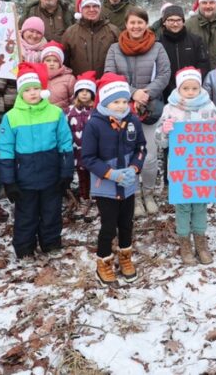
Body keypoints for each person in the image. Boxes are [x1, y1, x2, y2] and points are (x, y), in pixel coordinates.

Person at [0, 63, 74, 259]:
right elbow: (5, 151)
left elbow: (65, 143)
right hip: (25, 179)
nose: (32, 93)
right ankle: (24, 248)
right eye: (27, 90)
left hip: (51, 175)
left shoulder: (55, 113)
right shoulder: (11, 117)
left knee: (51, 212)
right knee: (26, 215)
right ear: (20, 93)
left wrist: (66, 173)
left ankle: (51, 243)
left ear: (42, 90)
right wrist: (9, 181)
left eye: (36, 89)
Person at [103, 7, 171, 217]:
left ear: (146, 24)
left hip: (148, 109)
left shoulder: (157, 47)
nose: (136, 26)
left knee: (149, 156)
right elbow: (109, 74)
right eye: (132, 23)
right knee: (125, 155)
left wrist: (146, 94)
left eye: (140, 23)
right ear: (126, 24)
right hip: (121, 109)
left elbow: (164, 73)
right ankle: (132, 195)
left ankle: (148, 192)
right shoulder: (115, 48)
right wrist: (132, 93)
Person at [81, 73, 147, 286]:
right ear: (105, 101)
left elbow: (141, 148)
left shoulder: (133, 120)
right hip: (106, 187)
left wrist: (134, 168)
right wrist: (111, 174)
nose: (120, 106)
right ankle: (104, 262)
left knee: (126, 223)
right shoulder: (94, 124)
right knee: (108, 226)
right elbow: (88, 158)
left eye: (124, 101)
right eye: (115, 102)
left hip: (127, 186)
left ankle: (125, 258)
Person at [156, 67, 216, 266]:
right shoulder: (170, 108)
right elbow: (159, 140)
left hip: (202, 167)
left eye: (194, 88)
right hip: (180, 168)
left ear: (199, 88)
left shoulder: (208, 106)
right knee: (183, 206)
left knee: (200, 205)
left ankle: (201, 242)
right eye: (185, 88)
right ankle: (184, 242)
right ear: (179, 88)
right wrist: (165, 130)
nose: (190, 92)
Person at [156, 4, 210, 100]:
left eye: (178, 20)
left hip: (192, 91)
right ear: (164, 22)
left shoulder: (196, 40)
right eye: (171, 20)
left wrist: (192, 84)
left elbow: (204, 64)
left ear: (183, 22)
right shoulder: (158, 43)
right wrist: (171, 89)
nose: (175, 24)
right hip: (167, 93)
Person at [61, 0, 120, 76]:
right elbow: (64, 63)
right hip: (81, 86)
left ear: (100, 8)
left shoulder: (113, 31)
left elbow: (120, 60)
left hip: (106, 84)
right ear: (81, 10)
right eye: (87, 7)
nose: (92, 9)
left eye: (95, 6)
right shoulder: (70, 33)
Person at [67, 72, 97, 219]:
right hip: (77, 152)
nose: (84, 94)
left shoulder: (96, 111)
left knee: (95, 175)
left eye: (88, 91)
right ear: (76, 93)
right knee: (82, 177)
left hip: (95, 152)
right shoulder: (69, 112)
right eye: (81, 91)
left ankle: (96, 201)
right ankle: (84, 200)